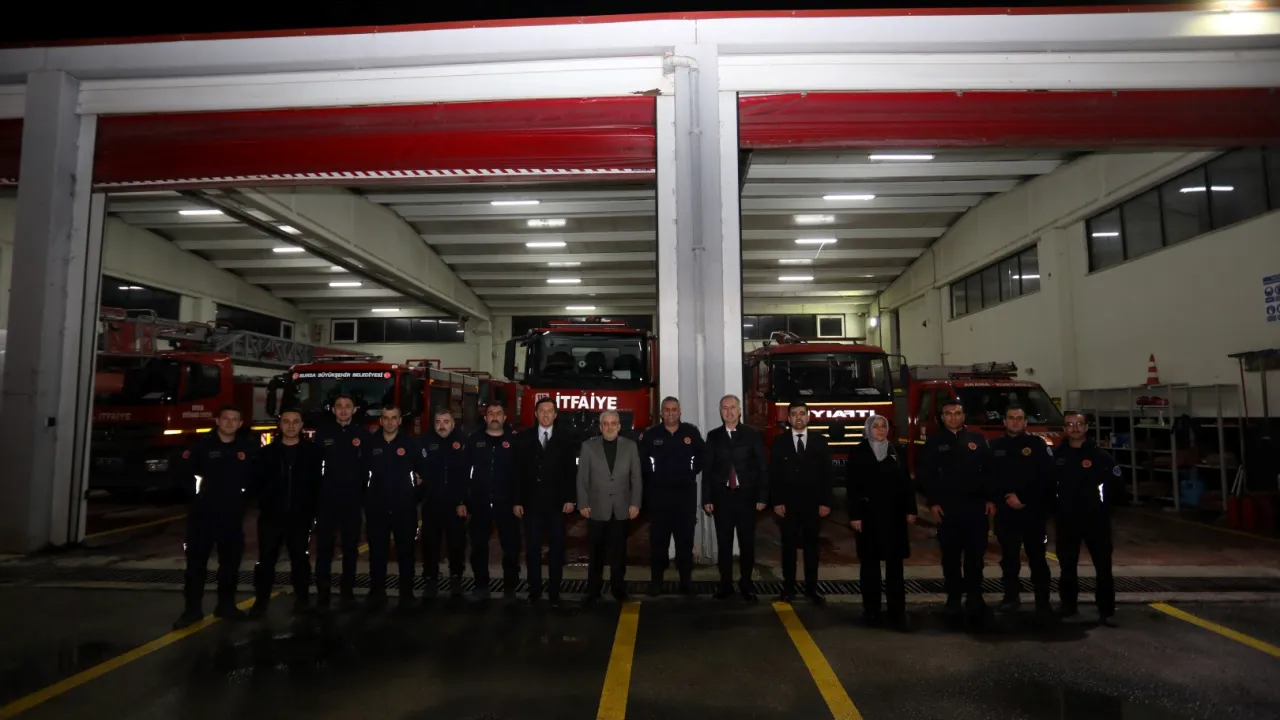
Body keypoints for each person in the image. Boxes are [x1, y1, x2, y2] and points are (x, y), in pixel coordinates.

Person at [172, 405, 259, 629]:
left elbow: (255, 479)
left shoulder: (247, 448)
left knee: (230, 565)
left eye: (235, 419)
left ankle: (226, 606)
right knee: (196, 565)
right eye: (226, 418)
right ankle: (192, 610)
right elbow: (183, 475)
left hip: (232, 517)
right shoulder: (201, 447)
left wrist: (244, 502)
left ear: (240, 424)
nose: (230, 423)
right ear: (217, 421)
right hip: (203, 517)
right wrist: (197, 498)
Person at [918, 399, 994, 621]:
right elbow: (926, 475)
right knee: (950, 558)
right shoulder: (934, 442)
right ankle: (953, 598)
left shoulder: (978, 440)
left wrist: (990, 499)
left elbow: (989, 472)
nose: (953, 417)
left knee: (975, 557)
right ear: (942, 417)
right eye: (948, 413)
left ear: (964, 416)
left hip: (975, 508)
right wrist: (932, 502)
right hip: (948, 509)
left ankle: (974, 596)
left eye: (957, 413)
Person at [249, 408, 322, 618]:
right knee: (265, 561)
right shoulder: (266, 453)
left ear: (301, 425)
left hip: (300, 517)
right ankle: (260, 602)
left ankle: (302, 600)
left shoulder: (313, 453)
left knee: (300, 559)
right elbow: (256, 484)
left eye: (295, 421)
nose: (291, 425)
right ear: (280, 425)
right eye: (286, 421)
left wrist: (313, 512)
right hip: (271, 518)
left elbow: (317, 484)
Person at [846, 414, 916, 631]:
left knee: (895, 567)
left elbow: (906, 484)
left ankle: (897, 611)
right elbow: (852, 486)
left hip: (894, 517)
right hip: (868, 517)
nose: (880, 430)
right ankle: (871, 610)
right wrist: (854, 515)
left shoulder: (897, 452)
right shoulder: (858, 452)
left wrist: (911, 510)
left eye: (883, 426)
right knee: (870, 566)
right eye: (875, 426)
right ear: (868, 429)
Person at [988, 404, 1055, 619]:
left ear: (1026, 422)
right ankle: (1010, 598)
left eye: (1019, 418)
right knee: (1009, 559)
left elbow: (1047, 478)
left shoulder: (1037, 445)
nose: (1015, 421)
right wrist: (1002, 498)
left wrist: (1023, 499)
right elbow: (989, 479)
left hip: (1032, 512)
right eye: (1011, 418)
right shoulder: (994, 446)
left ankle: (1043, 602)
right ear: (1004, 422)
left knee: (1037, 558)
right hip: (1006, 512)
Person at [1053, 411, 1119, 627]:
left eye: (1079, 424)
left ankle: (1107, 610)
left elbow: (1116, 489)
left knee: (1102, 566)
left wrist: (1102, 509)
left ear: (1086, 427)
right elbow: (1046, 486)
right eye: (1070, 424)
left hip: (1095, 521)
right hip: (1066, 520)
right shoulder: (1056, 456)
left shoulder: (1101, 457)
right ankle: (1068, 606)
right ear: (1064, 428)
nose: (1074, 428)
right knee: (1067, 565)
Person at [363, 404, 429, 611]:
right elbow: (361, 475)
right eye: (386, 418)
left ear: (400, 421)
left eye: (394, 418)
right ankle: (377, 592)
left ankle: (406, 593)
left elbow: (424, 475)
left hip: (405, 509)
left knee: (406, 552)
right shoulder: (370, 444)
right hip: (377, 509)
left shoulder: (411, 444)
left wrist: (413, 496)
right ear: (380, 420)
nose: (390, 422)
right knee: (377, 553)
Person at [513, 397, 579, 607]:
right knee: (532, 550)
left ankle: (554, 592)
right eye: (542, 411)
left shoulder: (566, 439)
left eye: (550, 411)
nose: (546, 414)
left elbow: (571, 472)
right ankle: (534, 591)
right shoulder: (523, 438)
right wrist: (516, 501)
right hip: (530, 505)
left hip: (556, 505)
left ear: (556, 414)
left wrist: (571, 499)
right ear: (535, 413)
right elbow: (516, 473)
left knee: (557, 549)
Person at [703, 394, 768, 601]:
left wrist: (763, 496)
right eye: (724, 408)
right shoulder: (713, 436)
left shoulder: (752, 435)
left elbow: (762, 467)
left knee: (747, 543)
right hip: (722, 498)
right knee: (724, 543)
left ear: (740, 411)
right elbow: (708, 470)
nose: (729, 412)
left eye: (732, 408)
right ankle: (725, 585)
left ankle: (747, 584)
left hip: (747, 498)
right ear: (720, 412)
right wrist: (707, 498)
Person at [638, 397, 705, 597]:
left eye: (674, 410)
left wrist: (691, 470)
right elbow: (642, 462)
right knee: (658, 543)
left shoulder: (691, 433)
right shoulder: (651, 435)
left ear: (680, 411)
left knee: (685, 543)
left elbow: (703, 456)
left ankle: (686, 582)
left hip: (685, 498)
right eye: (666, 410)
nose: (670, 413)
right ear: (661, 413)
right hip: (659, 498)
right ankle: (656, 582)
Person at [769, 401, 834, 605]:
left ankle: (812, 588)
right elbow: (775, 475)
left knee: (811, 548)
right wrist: (777, 501)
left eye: (802, 413)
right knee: (788, 548)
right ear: (788, 418)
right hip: (787, 505)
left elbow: (826, 474)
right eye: (794, 414)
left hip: (813, 504)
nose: (798, 417)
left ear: (808, 417)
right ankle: (788, 589)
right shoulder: (779, 442)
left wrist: (825, 502)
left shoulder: (820, 442)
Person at [576, 410, 643, 605]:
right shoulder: (588, 447)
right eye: (606, 424)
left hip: (622, 508)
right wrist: (583, 503)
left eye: (614, 423)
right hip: (596, 508)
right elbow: (582, 478)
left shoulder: (630, 447)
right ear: (600, 426)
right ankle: (593, 590)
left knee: (619, 553)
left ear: (619, 426)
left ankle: (618, 588)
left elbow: (636, 478)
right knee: (595, 553)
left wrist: (635, 502)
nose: (610, 427)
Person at [313, 394, 366, 612]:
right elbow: (314, 468)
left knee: (350, 549)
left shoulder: (363, 434)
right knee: (324, 549)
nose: (343, 410)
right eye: (339, 406)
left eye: (348, 406)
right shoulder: (322, 434)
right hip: (327, 502)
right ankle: (323, 596)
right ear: (333, 410)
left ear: (354, 410)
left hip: (353, 502)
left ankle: (347, 593)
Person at [464, 402, 522, 601]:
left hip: (507, 503)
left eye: (499, 413)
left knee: (512, 546)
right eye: (491, 413)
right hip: (480, 502)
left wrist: (518, 501)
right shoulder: (474, 440)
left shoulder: (515, 440)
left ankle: (510, 586)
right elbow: (464, 472)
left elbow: (520, 474)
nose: (494, 416)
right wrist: (465, 500)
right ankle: (481, 585)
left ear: (505, 418)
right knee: (478, 546)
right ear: (485, 417)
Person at [419, 407, 469, 601]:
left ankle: (456, 577)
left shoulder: (464, 442)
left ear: (453, 423)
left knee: (457, 543)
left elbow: (468, 475)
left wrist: (464, 501)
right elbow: (417, 470)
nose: (442, 426)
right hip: (431, 503)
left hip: (456, 504)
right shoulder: (424, 442)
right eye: (438, 422)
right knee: (430, 543)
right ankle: (430, 578)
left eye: (446, 422)